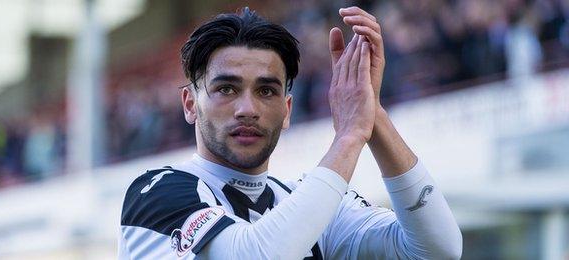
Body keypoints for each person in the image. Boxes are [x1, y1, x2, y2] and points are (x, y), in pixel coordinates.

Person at [119, 6, 462, 259]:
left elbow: (439, 249)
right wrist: (348, 137)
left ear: (287, 111)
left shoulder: (314, 204)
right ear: (191, 104)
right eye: (226, 89)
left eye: (266, 91)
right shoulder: (157, 193)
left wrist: (372, 113)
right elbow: (256, 254)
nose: (247, 109)